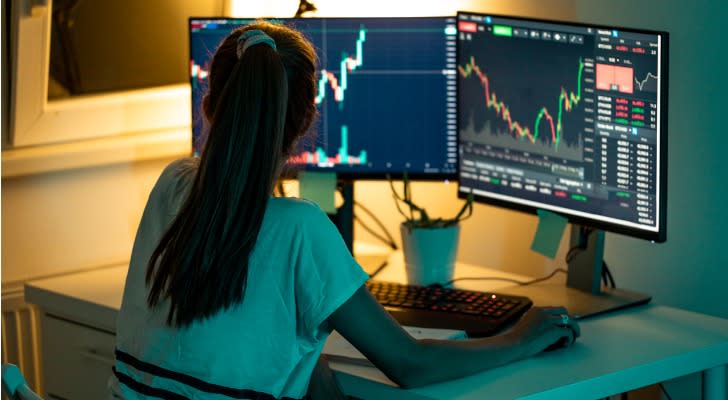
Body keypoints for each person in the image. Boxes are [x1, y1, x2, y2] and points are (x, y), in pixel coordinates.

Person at [110, 20, 580, 400]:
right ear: (303, 126)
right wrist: (520, 338)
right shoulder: (300, 231)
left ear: (210, 107)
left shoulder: (172, 185)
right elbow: (411, 365)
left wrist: (306, 357)